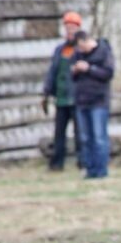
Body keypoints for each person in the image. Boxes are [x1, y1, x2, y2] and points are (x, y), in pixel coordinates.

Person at [42, 10, 83, 171]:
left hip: (77, 97)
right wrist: (46, 91)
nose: (70, 30)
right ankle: (57, 163)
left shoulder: (81, 49)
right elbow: (52, 71)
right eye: (67, 27)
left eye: (73, 27)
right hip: (61, 98)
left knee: (80, 133)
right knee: (59, 133)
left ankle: (83, 161)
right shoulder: (60, 50)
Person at [71, 30, 114, 180]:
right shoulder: (77, 55)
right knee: (85, 138)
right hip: (82, 101)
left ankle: (101, 170)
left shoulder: (104, 51)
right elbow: (72, 76)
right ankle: (90, 170)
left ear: (86, 41)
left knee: (99, 137)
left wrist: (89, 68)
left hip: (99, 101)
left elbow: (108, 73)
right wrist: (75, 70)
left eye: (81, 47)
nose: (80, 51)